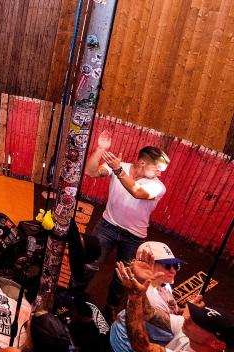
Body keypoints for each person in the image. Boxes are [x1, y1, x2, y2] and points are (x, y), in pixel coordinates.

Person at [84, 130, 170, 316]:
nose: (160, 174)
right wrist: (100, 149)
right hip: (107, 226)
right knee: (90, 263)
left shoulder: (157, 186)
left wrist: (118, 170)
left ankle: (111, 306)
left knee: (122, 276)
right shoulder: (119, 166)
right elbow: (90, 171)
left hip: (134, 236)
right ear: (142, 163)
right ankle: (74, 293)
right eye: (157, 169)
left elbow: (137, 192)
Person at [117, 249, 233, 351]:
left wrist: (134, 297)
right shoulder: (187, 326)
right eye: (196, 316)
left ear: (216, 344)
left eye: (198, 322)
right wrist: (140, 282)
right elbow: (149, 313)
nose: (188, 319)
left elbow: (141, 346)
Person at [109, 241, 184, 352]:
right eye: (167, 265)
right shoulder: (152, 299)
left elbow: (171, 311)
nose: (173, 270)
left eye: (175, 265)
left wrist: (184, 313)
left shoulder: (164, 284)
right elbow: (161, 339)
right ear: (148, 264)